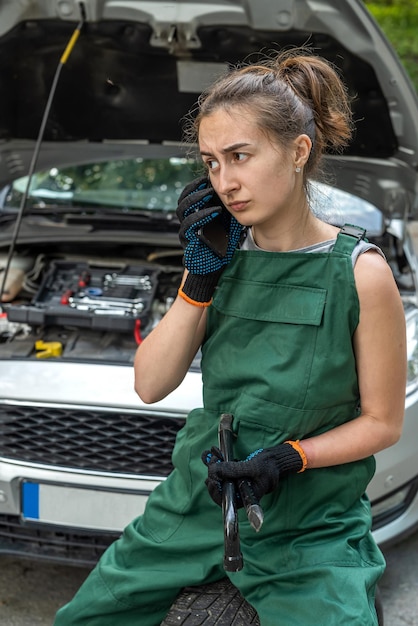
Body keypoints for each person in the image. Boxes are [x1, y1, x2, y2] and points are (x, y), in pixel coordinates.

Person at [53, 48, 406, 626]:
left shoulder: (360, 273)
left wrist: (291, 458)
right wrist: (198, 278)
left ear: (299, 151)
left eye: (239, 157)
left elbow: (383, 421)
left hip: (309, 525)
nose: (225, 182)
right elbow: (150, 384)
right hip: (196, 505)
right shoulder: (218, 257)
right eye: (212, 163)